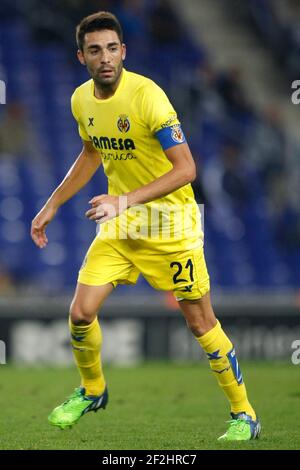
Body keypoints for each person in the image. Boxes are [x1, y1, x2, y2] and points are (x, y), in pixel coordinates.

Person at [31, 11, 261, 441]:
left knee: (199, 323)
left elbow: (187, 168)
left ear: (124, 51)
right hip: (123, 225)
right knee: (80, 314)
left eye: (112, 48)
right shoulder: (81, 100)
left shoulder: (149, 97)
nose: (105, 58)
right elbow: (90, 154)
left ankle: (244, 413)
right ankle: (93, 389)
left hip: (171, 224)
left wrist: (123, 200)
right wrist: (52, 205)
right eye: (95, 50)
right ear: (82, 56)